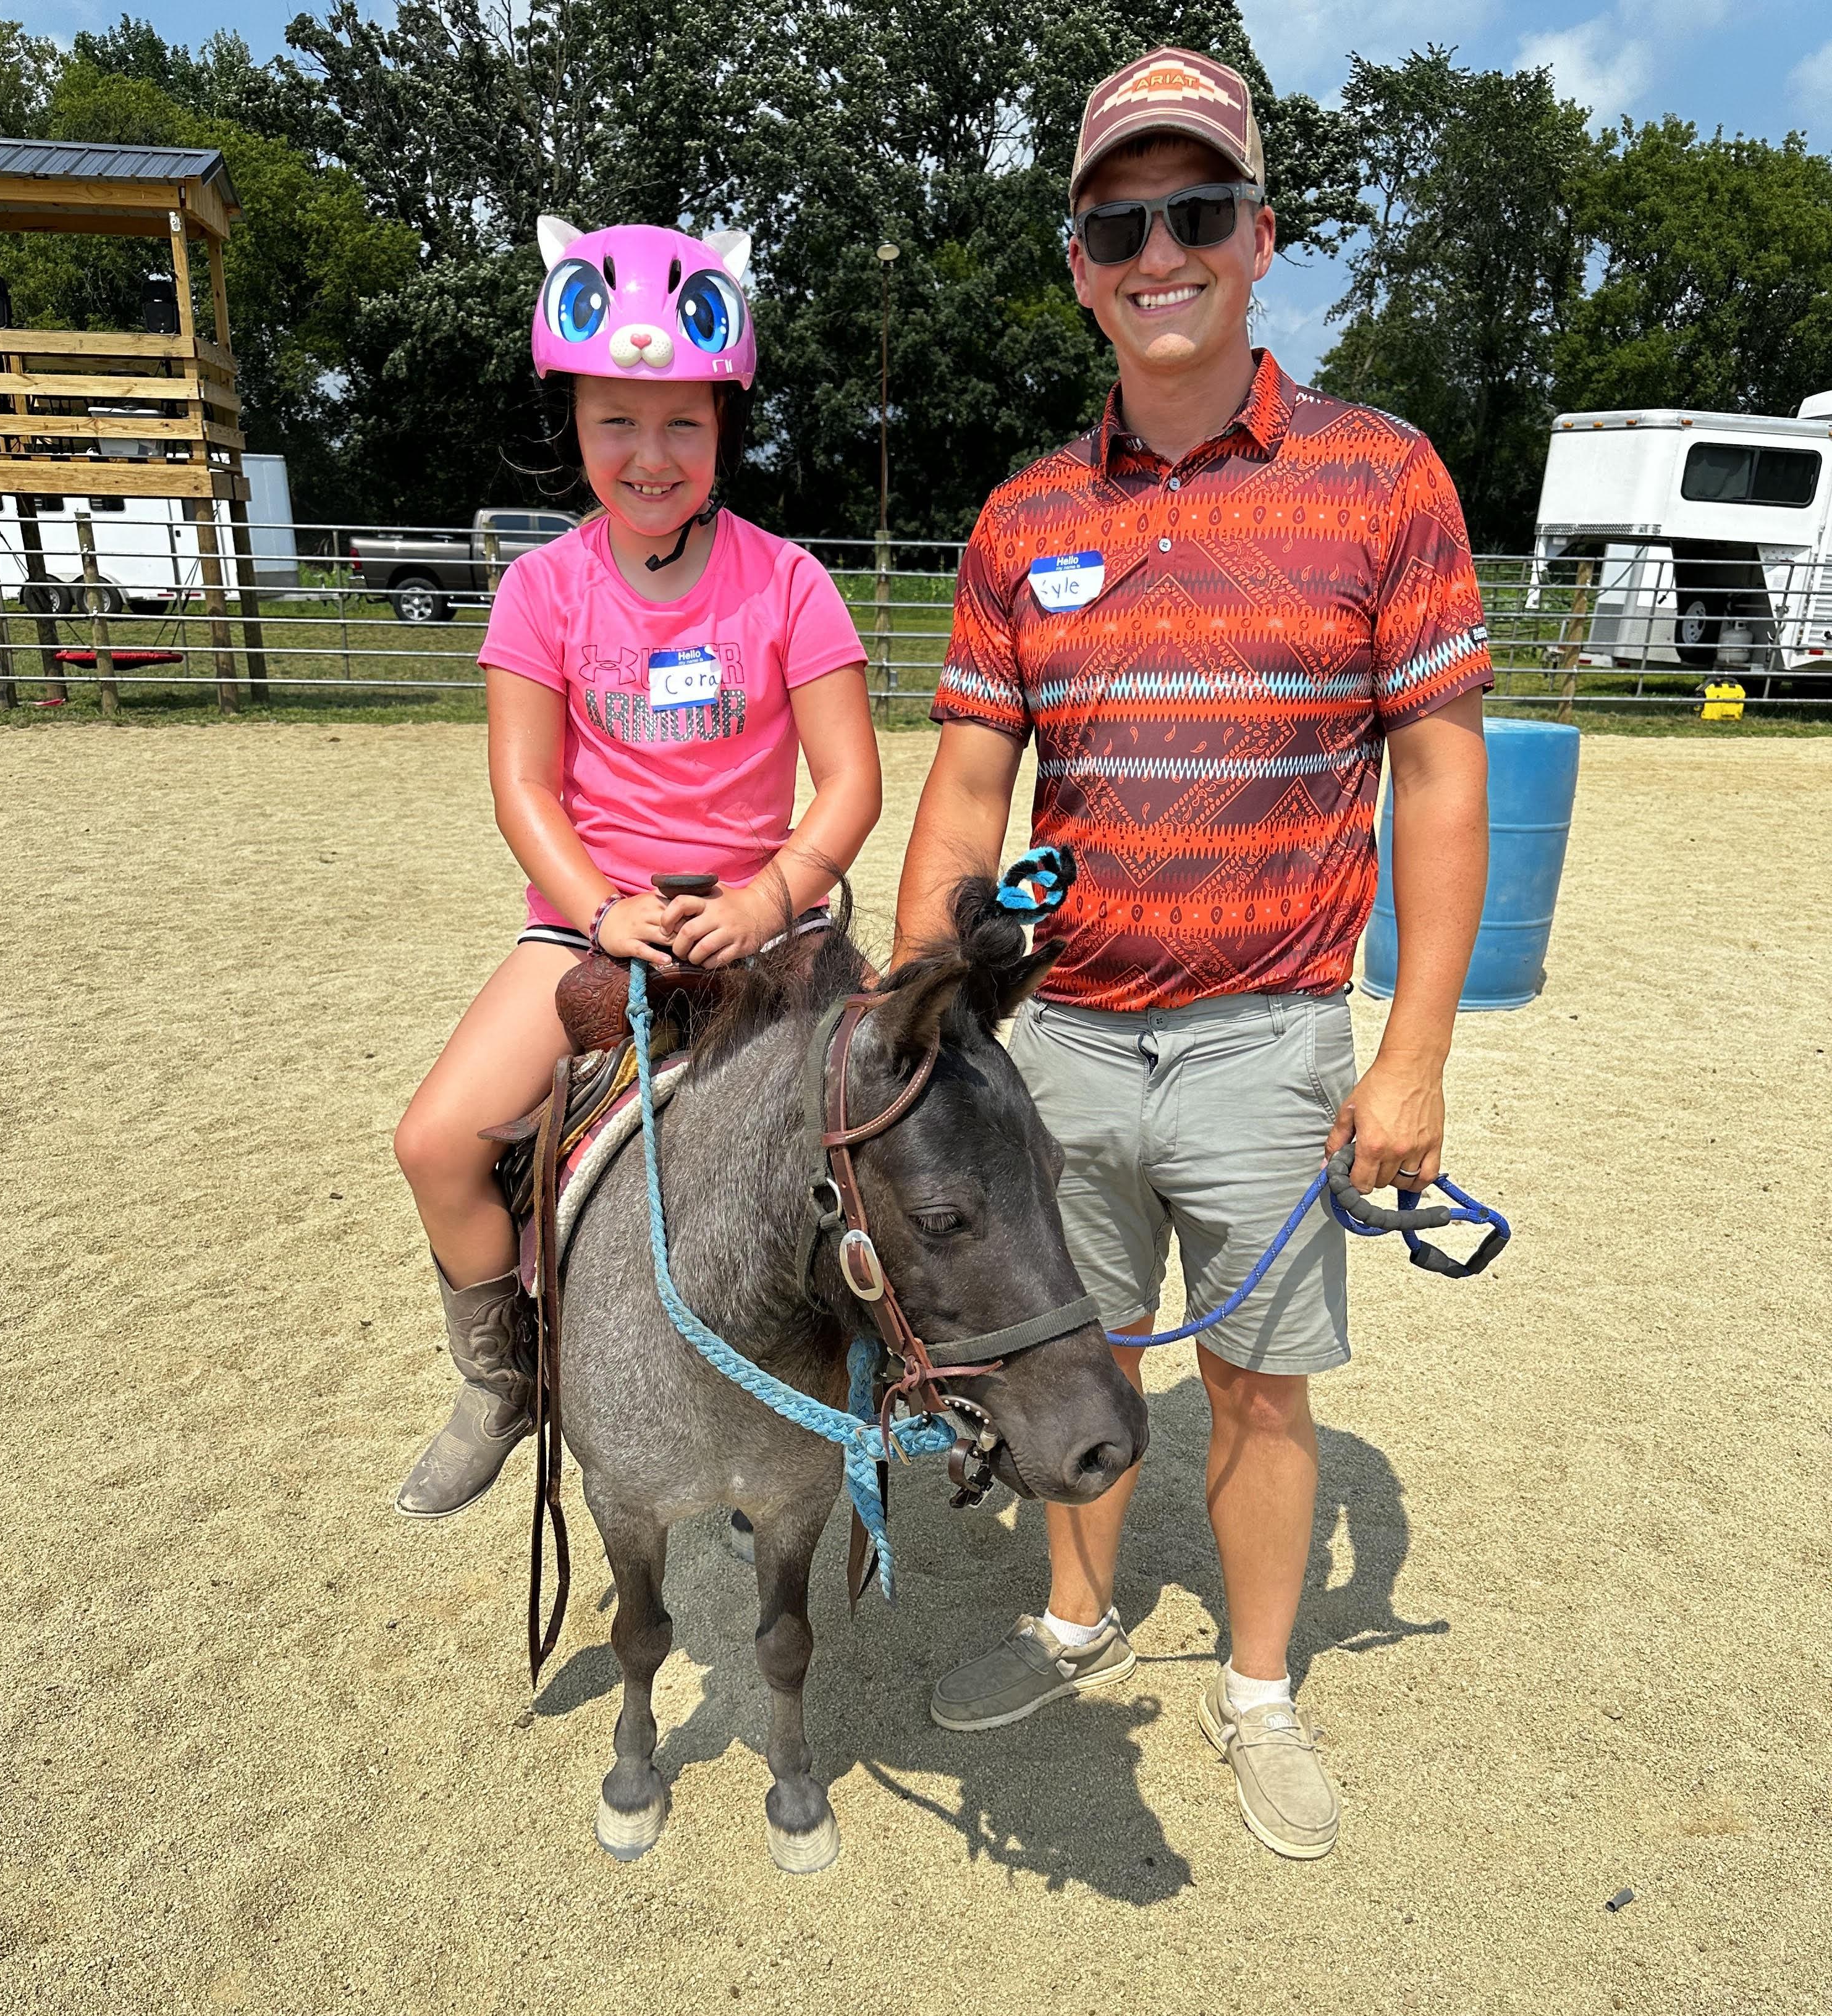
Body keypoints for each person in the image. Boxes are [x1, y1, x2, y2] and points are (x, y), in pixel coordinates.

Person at [893, 48, 1492, 1861]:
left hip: (1268, 1034)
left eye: (1197, 210)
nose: (1162, 249)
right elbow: (966, 789)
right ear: (1080, 261)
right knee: (1070, 1362)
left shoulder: (1384, 479)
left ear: (1259, 238)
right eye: (1119, 221)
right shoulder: (1021, 518)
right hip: (1058, 1040)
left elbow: (1444, 781)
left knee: (1256, 1380)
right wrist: (924, 1018)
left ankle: (1257, 1695)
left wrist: (1412, 1058)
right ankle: (1075, 1621)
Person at [392, 218, 881, 1519]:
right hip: (591, 927)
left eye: (681, 426)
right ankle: (505, 1381)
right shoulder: (541, 592)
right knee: (437, 1142)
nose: (649, 457)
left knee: (909, 1140)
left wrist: (774, 898)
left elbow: (851, 784)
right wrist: (603, 913)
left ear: (724, 428)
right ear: (577, 426)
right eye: (617, 423)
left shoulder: (789, 585)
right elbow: (524, 786)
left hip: (767, 927)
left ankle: (902, 1380)